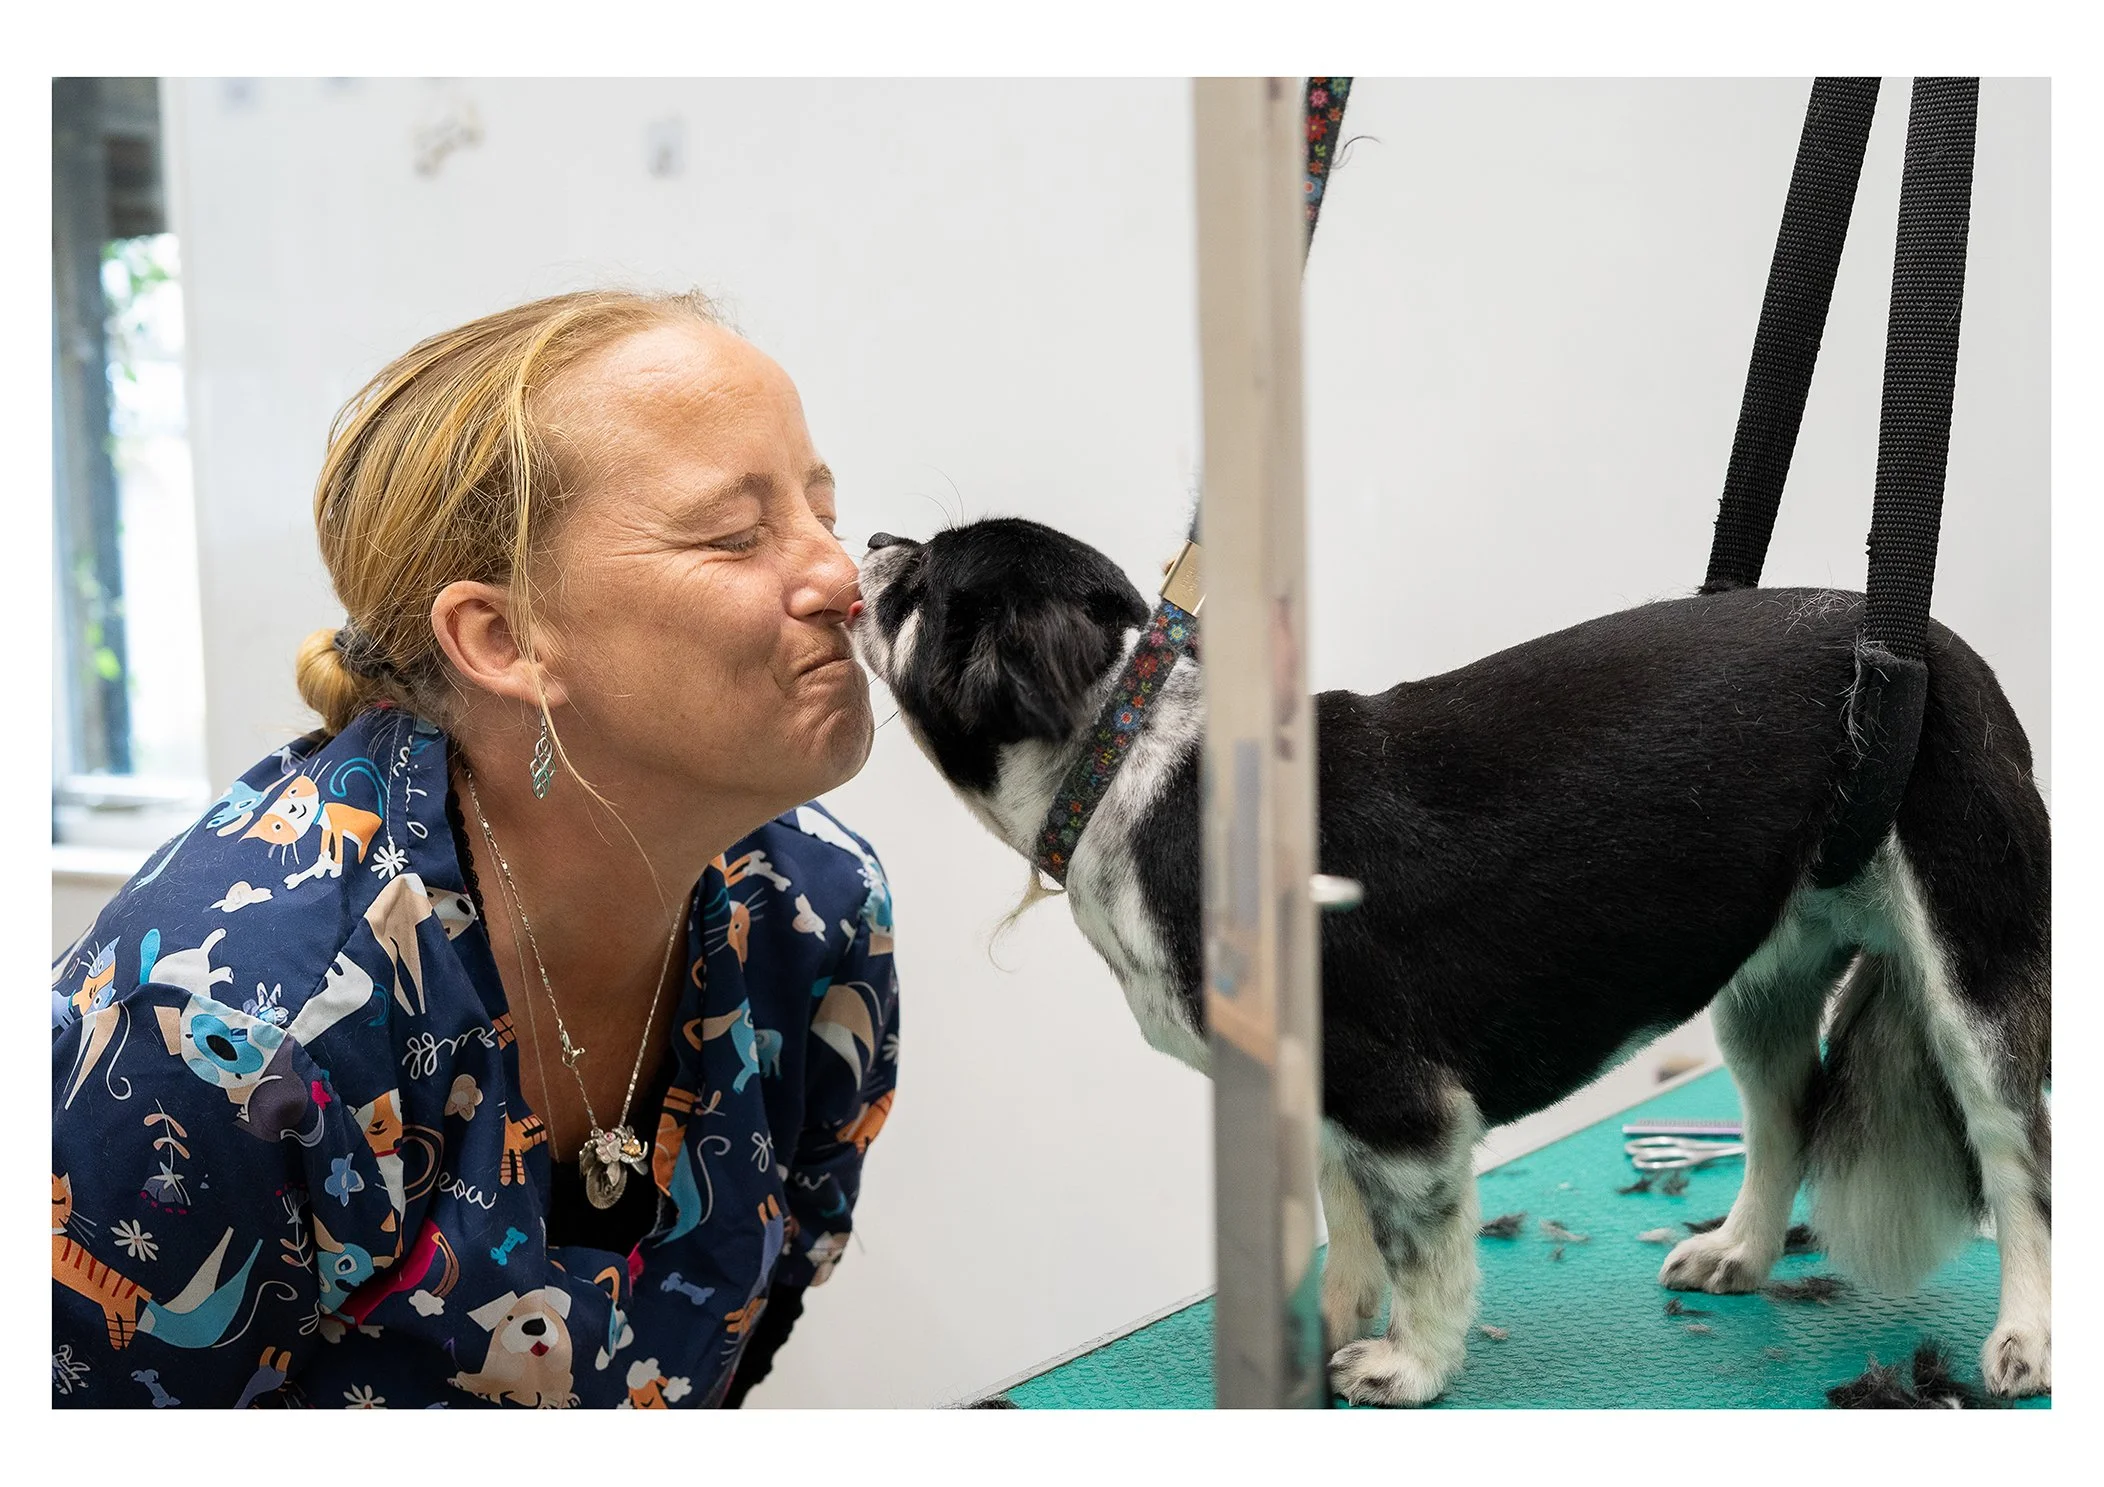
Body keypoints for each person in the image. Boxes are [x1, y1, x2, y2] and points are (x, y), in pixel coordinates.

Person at [50, 289, 899, 1409]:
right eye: (736, 535)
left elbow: (735, 1343)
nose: (846, 578)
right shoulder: (234, 1016)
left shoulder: (814, 910)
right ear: (502, 638)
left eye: (822, 510)